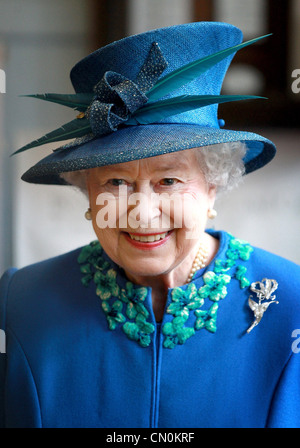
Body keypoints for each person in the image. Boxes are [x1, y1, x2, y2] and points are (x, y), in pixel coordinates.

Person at [1, 22, 300, 429]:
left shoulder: (292, 306)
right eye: (116, 182)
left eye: (169, 181)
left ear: (213, 186)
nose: (142, 213)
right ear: (88, 193)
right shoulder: (21, 304)